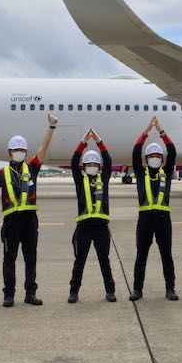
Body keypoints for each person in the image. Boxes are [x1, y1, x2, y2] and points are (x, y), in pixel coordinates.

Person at [0, 113, 57, 307]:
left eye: (22, 150)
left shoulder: (31, 168)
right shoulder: (2, 173)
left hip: (30, 220)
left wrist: (51, 128)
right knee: (9, 259)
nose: (19, 152)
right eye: (16, 150)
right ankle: (9, 295)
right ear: (9, 152)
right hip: (11, 222)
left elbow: (43, 148)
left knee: (31, 258)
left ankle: (30, 294)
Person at [129, 116, 178, 301]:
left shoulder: (166, 172)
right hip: (145, 219)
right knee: (141, 255)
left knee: (167, 255)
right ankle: (137, 289)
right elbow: (135, 151)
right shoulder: (141, 173)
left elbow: (172, 151)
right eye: (151, 156)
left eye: (158, 156)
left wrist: (162, 132)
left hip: (163, 219)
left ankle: (170, 289)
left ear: (162, 159)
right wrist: (146, 131)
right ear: (146, 159)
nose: (155, 159)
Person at [68, 128, 116, 303]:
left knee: (105, 261)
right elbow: (74, 162)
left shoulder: (103, 179)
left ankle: (110, 291)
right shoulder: (80, 180)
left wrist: (99, 141)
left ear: (99, 167)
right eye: (89, 165)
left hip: (101, 228)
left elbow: (109, 161)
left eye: (95, 165)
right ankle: (73, 292)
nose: (92, 167)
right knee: (79, 261)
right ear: (84, 167)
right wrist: (83, 142)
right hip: (83, 228)